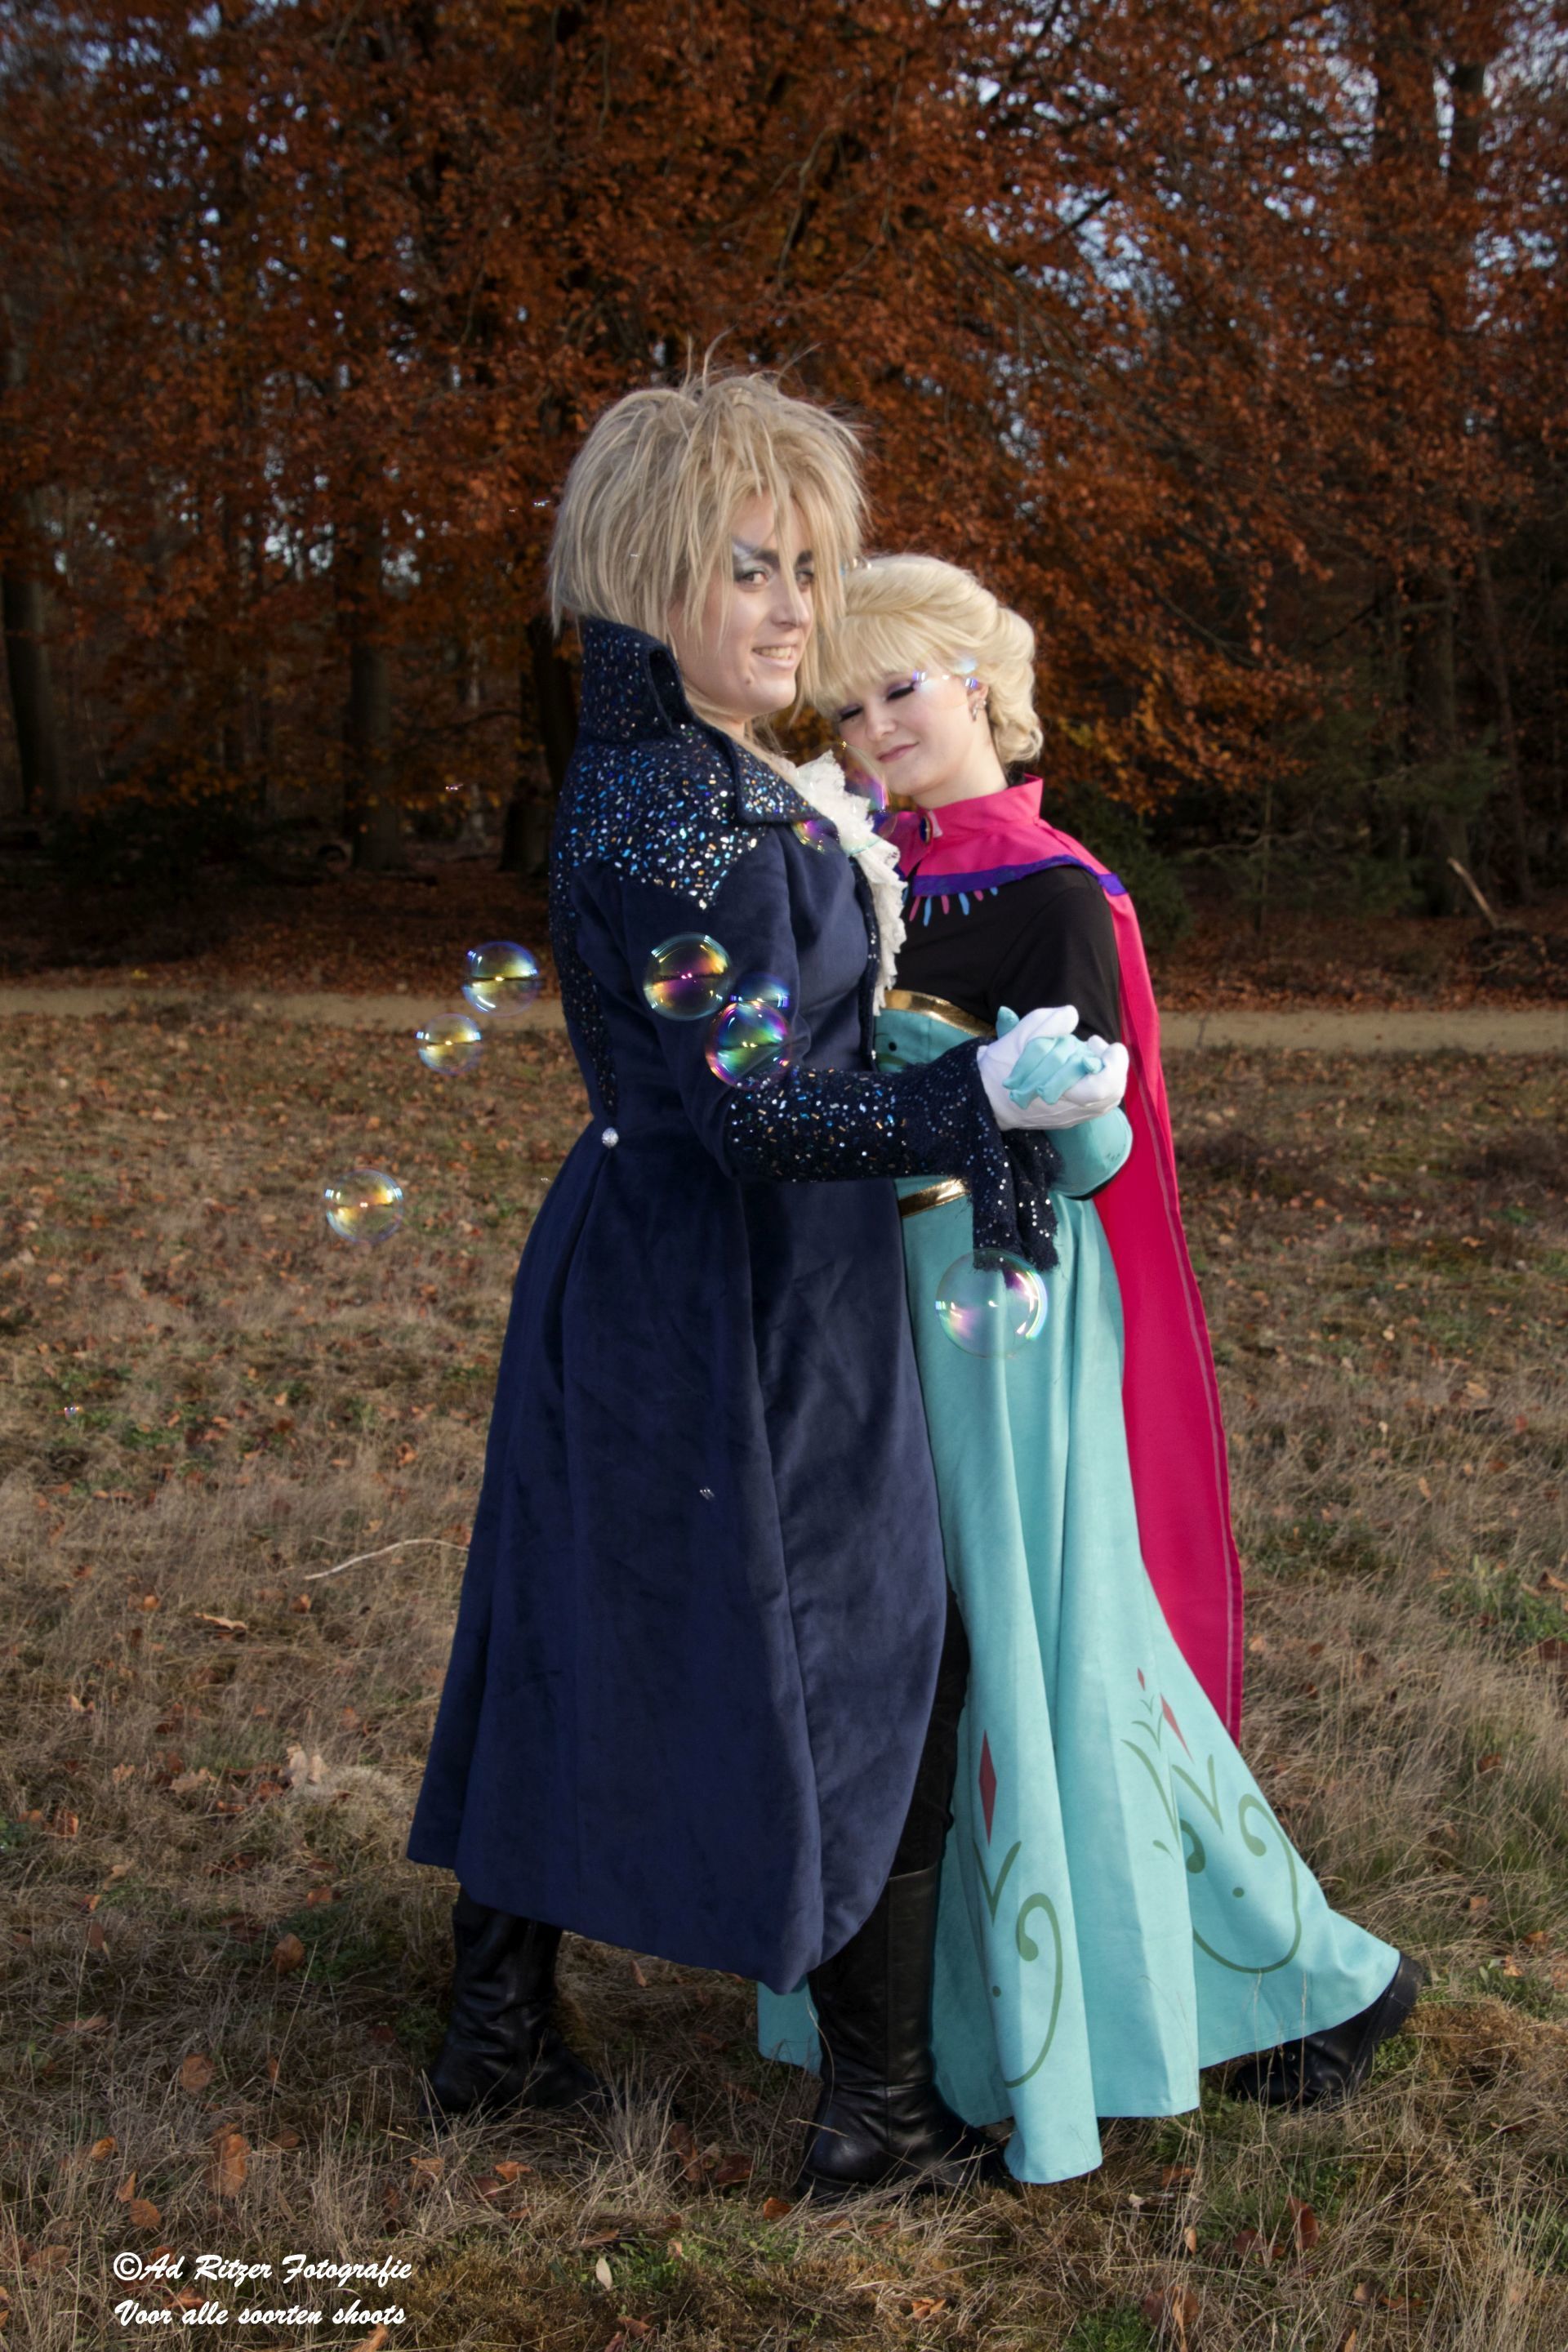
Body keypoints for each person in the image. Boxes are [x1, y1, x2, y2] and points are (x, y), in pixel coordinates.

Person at [406, 376, 1124, 2194]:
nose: (797, 610)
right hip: (741, 1294)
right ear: (648, 575)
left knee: (574, 1622)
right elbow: (752, 1113)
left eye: (807, 566)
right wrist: (976, 1098)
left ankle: (496, 2034)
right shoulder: (691, 807)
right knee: (880, 1652)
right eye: (751, 568)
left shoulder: (688, 769)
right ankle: (872, 2118)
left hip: (662, 1263)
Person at [758, 554, 1423, 2185]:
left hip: (1004, 1322)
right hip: (877, 1312)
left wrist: (1041, 1093)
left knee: (1029, 1649)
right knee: (927, 1655)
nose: (874, 726)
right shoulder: (858, 873)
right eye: (847, 706)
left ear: (980, 686)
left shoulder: (1055, 894)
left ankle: (1283, 1987)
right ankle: (955, 2029)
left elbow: (1087, 1158)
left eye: (901, 689)